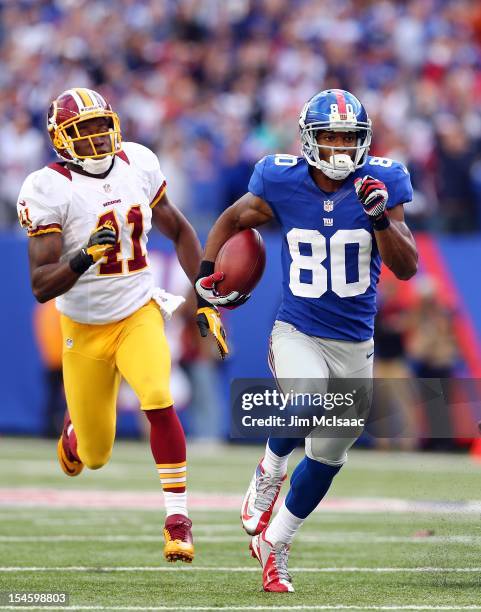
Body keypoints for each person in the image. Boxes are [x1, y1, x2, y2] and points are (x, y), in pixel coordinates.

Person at [194, 89, 418, 592]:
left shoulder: (385, 180)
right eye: (330, 136)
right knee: (309, 399)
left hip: (356, 343)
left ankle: (275, 545)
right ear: (309, 139)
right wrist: (206, 277)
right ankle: (270, 468)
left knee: (329, 457)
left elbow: (407, 267)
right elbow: (233, 218)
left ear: (363, 140)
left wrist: (380, 217)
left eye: (348, 137)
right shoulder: (280, 177)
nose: (340, 147)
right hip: (298, 330)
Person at [16, 87, 217, 564]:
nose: (94, 137)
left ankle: (178, 520)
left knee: (157, 395)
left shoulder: (139, 164)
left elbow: (182, 230)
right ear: (60, 139)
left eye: (99, 126)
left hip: (137, 311)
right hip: (83, 327)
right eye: (81, 130)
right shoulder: (47, 187)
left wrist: (206, 296)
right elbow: (42, 286)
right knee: (97, 454)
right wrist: (85, 255)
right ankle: (75, 435)